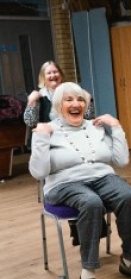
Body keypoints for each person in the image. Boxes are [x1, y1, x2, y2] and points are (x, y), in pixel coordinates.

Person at [29, 82, 131, 279]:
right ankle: (87, 275)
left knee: (129, 196)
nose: (75, 104)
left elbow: (122, 161)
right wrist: (40, 139)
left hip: (102, 177)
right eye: (69, 100)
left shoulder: (95, 127)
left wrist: (116, 127)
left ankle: (130, 259)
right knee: (91, 203)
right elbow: (39, 172)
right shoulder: (48, 130)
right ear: (59, 105)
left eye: (80, 100)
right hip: (63, 183)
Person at [24, 60, 97, 247]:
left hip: (74, 141)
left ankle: (87, 225)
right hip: (51, 147)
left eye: (55, 72)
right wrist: (31, 101)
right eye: (48, 73)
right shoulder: (39, 97)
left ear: (61, 74)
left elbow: (89, 118)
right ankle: (81, 226)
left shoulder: (72, 93)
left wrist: (87, 100)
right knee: (70, 176)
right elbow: (30, 122)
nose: (53, 76)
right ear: (43, 77)